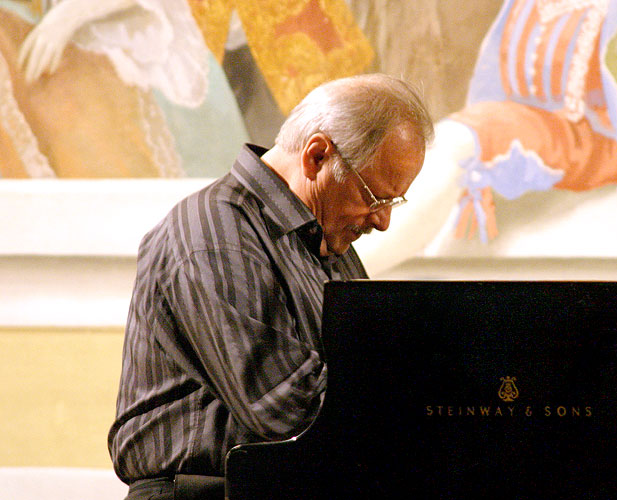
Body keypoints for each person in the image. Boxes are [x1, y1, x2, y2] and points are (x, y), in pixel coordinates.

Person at [107, 73, 434, 500]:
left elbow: (358, 380)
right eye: (376, 197)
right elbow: (287, 409)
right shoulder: (215, 232)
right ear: (317, 157)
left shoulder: (329, 242)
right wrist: (429, 410)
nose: (383, 221)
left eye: (393, 203)